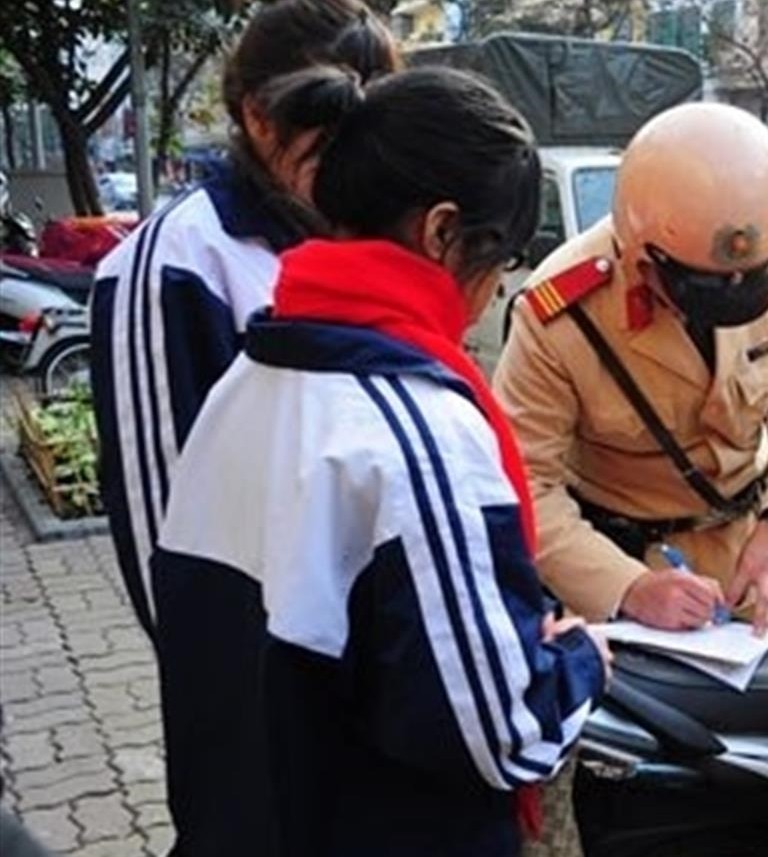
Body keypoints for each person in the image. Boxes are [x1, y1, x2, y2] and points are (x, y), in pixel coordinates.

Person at [149, 67, 609, 857]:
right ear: (441, 232)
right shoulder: (415, 430)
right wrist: (579, 657)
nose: (495, 289)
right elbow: (499, 732)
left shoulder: (249, 379)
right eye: (500, 257)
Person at [89, 0, 400, 642]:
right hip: (269, 682)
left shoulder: (361, 242)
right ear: (259, 117)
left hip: (377, 660)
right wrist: (229, 697)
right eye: (333, 128)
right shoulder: (178, 264)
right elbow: (167, 534)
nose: (365, 162)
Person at [495, 103, 768, 635]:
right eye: (699, 289)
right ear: (643, 260)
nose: (733, 295)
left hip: (753, 562)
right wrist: (628, 588)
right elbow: (525, 482)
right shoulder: (560, 315)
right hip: (629, 575)